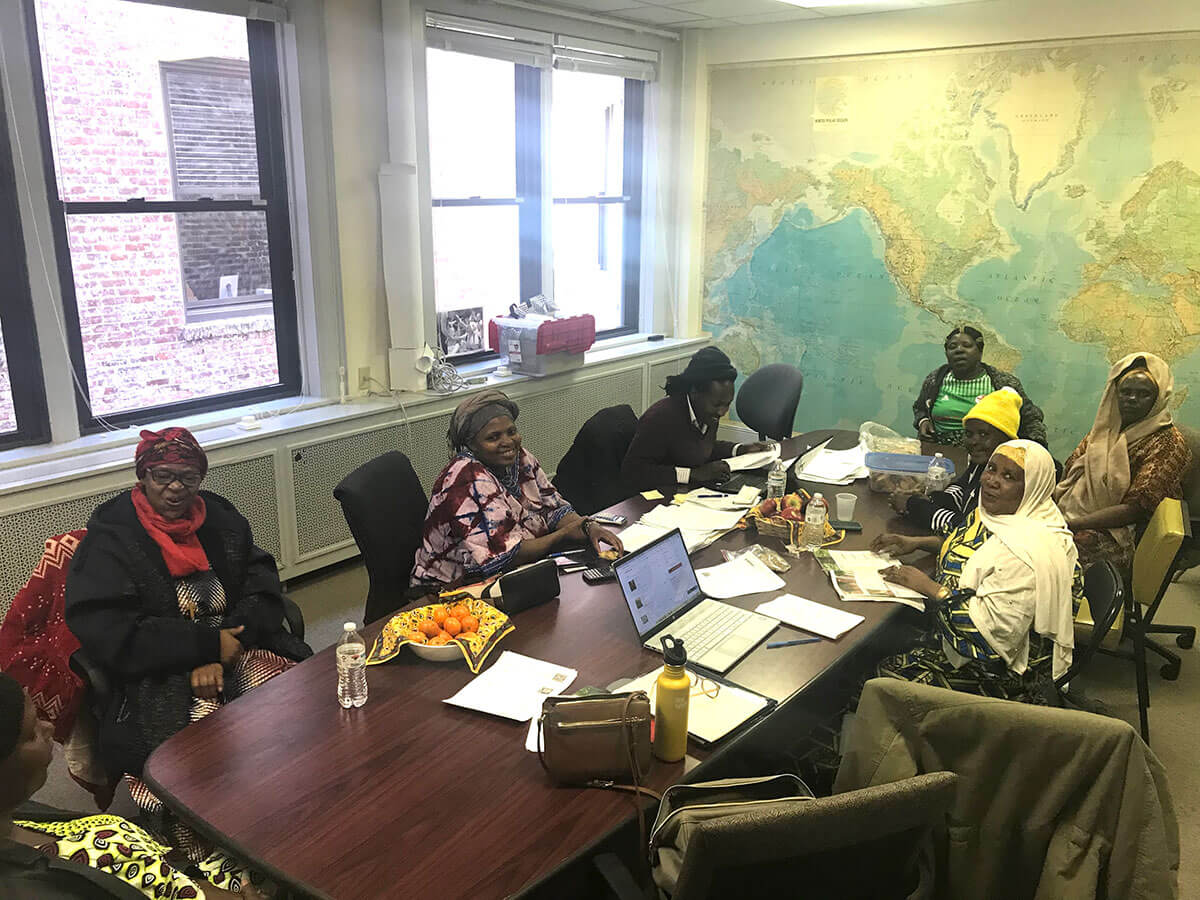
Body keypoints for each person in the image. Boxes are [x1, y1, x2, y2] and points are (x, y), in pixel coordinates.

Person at [65, 428, 311, 848]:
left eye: (188, 476)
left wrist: (223, 646)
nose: (176, 487)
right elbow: (109, 629)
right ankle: (207, 847)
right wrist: (200, 649)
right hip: (156, 669)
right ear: (142, 475)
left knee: (294, 707)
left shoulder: (220, 517)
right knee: (195, 752)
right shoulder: (112, 536)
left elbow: (262, 584)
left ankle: (289, 813)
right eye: (162, 476)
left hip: (237, 645)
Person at [0, 671, 264, 899]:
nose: (48, 727)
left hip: (181, 875)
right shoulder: (34, 890)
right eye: (31, 734)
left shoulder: (16, 817)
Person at [870, 441, 1083, 701]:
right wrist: (916, 543)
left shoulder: (1031, 552)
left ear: (1034, 488)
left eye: (1009, 477)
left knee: (875, 676)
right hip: (952, 636)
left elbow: (989, 640)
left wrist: (929, 587)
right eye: (991, 469)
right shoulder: (999, 516)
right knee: (878, 641)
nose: (992, 481)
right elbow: (971, 547)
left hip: (996, 675)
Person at [412, 390, 624, 586]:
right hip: (453, 589)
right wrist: (566, 533)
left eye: (511, 432)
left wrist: (588, 526)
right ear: (471, 445)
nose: (508, 442)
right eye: (493, 437)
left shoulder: (520, 458)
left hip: (519, 571)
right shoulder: (465, 479)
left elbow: (554, 509)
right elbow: (507, 555)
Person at [1054, 352, 1193, 572]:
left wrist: (1073, 523)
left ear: (1158, 397)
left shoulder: (1167, 442)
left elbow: (1134, 509)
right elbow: (1070, 471)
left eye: (1143, 394)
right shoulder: (1104, 431)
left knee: (1052, 553)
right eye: (1125, 392)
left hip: (1121, 534)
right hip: (1074, 516)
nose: (1131, 399)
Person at [621, 347, 773, 492]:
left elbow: (699, 448)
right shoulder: (661, 418)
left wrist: (740, 449)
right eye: (717, 404)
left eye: (727, 404)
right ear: (694, 391)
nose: (722, 412)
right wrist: (692, 474)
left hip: (686, 492)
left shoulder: (708, 413)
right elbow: (633, 472)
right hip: (654, 499)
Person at [891, 386, 1022, 535]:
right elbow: (962, 489)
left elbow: (967, 530)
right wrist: (932, 499)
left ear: (1007, 439)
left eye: (984, 434)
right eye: (969, 433)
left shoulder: (1004, 479)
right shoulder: (981, 462)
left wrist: (914, 506)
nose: (974, 441)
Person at [913, 326, 1046, 446]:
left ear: (980, 351)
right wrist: (923, 421)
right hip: (939, 453)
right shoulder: (936, 379)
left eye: (967, 345)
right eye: (952, 346)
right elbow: (920, 408)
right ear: (946, 353)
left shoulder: (1003, 383)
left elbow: (1031, 418)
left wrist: (1033, 448)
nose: (959, 350)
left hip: (986, 456)